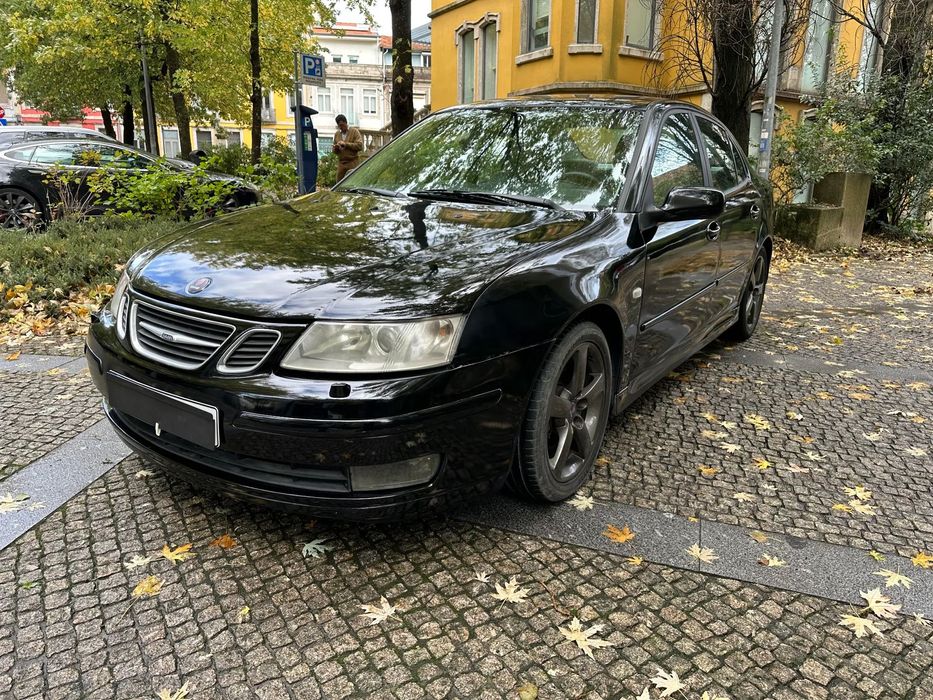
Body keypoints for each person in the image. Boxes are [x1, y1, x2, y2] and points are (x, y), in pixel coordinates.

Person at [332, 114, 364, 180]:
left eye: (342, 125)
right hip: (341, 164)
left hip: (352, 163)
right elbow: (334, 151)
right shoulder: (337, 134)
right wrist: (336, 148)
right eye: (339, 126)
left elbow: (360, 145)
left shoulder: (354, 131)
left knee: (353, 181)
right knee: (339, 183)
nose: (341, 127)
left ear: (346, 123)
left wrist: (346, 144)